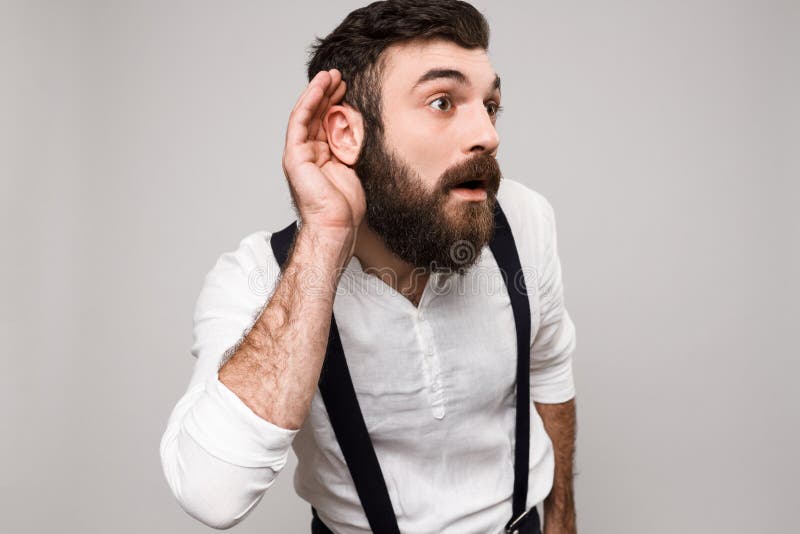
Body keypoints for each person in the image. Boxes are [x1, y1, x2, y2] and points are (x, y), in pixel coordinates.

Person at [160, 1, 578, 532]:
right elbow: (210, 495)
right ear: (346, 134)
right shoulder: (259, 277)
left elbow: (549, 365)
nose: (488, 136)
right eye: (444, 101)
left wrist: (562, 515)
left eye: (489, 106)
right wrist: (325, 237)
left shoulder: (524, 220)